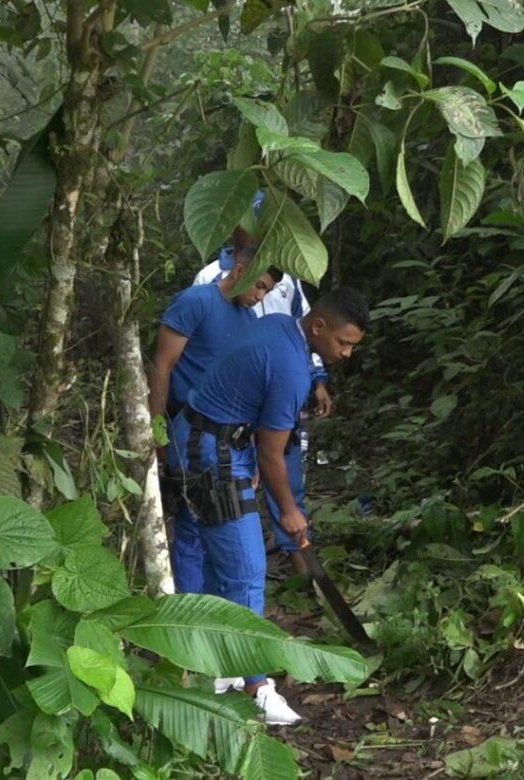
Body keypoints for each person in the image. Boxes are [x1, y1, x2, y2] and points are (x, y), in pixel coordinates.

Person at [176, 287, 369, 725]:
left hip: (197, 437)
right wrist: (289, 511)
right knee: (246, 570)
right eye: (344, 343)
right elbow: (273, 451)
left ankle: (211, 665)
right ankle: (255, 684)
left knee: (207, 554)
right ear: (318, 326)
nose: (346, 353)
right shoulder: (291, 369)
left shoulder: (283, 328)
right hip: (212, 456)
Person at [194, 196, 331, 572]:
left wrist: (317, 377)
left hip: (280, 386)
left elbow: (308, 325)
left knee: (282, 463)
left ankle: (294, 550)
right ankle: (246, 553)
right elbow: (204, 345)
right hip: (233, 402)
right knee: (240, 480)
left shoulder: (287, 277)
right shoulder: (209, 278)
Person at [147, 226, 279, 597]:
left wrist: (250, 457)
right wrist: (156, 432)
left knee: (214, 524)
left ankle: (212, 611)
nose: (261, 296)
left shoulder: (249, 322)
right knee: (189, 526)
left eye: (267, 290)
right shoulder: (196, 302)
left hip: (225, 442)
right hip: (185, 431)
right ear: (240, 272)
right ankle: (190, 615)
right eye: (260, 286)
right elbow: (161, 365)